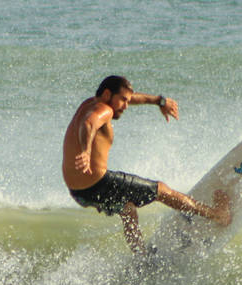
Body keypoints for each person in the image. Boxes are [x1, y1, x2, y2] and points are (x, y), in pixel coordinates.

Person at [62, 75, 230, 254]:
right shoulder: (104, 110)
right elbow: (89, 124)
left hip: (79, 191)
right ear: (106, 94)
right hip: (98, 183)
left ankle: (140, 255)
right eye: (122, 101)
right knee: (161, 190)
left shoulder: (89, 104)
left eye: (127, 101)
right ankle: (218, 215)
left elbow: (124, 101)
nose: (126, 106)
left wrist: (160, 101)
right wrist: (86, 151)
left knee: (128, 209)